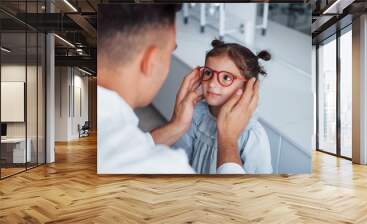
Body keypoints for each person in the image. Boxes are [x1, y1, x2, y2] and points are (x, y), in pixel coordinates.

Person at [97, 4, 260, 174]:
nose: (212, 83)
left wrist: (177, 125)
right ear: (150, 62)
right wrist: (228, 142)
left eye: (225, 77)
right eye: (170, 53)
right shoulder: (165, 166)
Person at [173, 39, 273, 174]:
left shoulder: (252, 134)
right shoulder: (195, 114)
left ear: (248, 87)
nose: (212, 84)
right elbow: (179, 157)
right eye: (208, 73)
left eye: (226, 77)